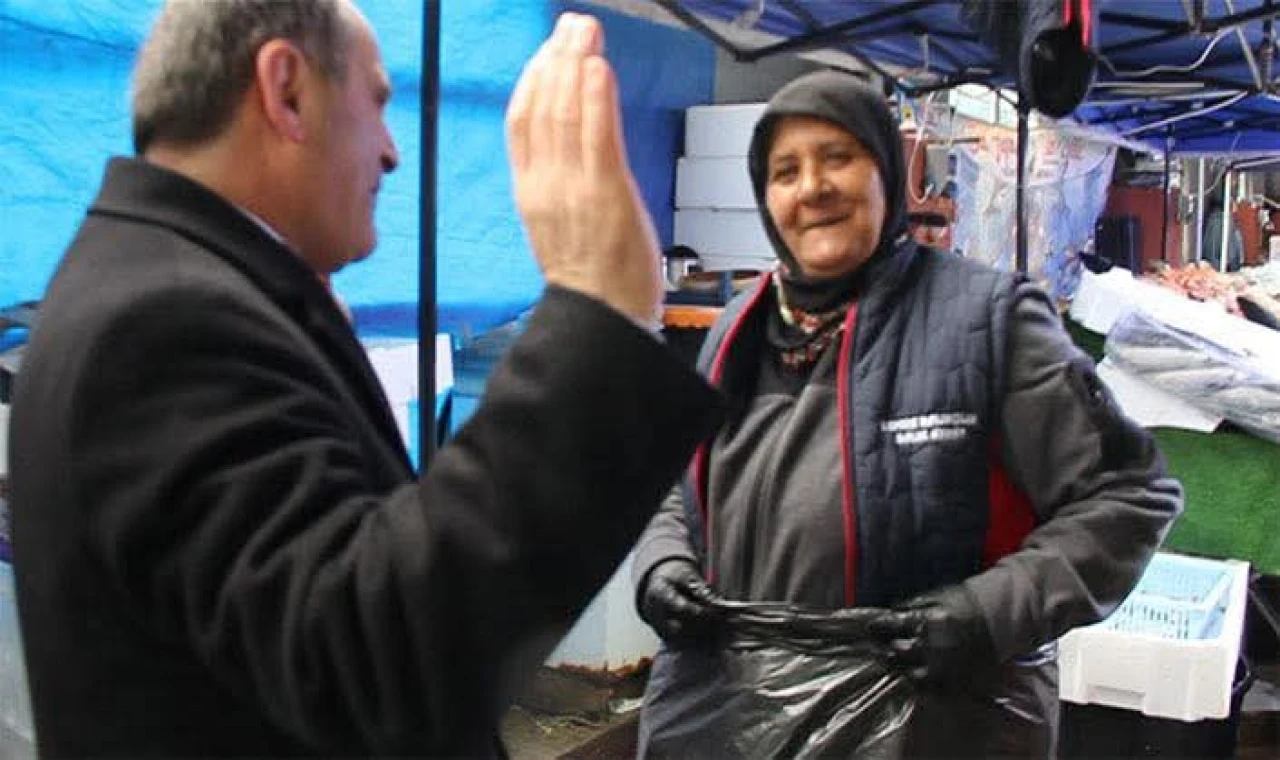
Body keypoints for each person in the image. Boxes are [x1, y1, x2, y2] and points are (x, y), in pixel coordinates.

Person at [9, 3, 724, 756]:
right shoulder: (163, 322)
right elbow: (372, 667)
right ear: (286, 90)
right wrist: (600, 310)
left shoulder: (174, 285)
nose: (390, 152)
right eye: (379, 103)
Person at [633, 69, 1183, 757]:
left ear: (888, 173)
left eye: (839, 157)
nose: (813, 187)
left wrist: (985, 615)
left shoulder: (989, 320)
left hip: (932, 723)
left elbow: (1128, 497)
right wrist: (660, 568)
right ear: (766, 198)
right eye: (785, 170)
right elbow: (676, 492)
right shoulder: (734, 333)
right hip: (739, 716)